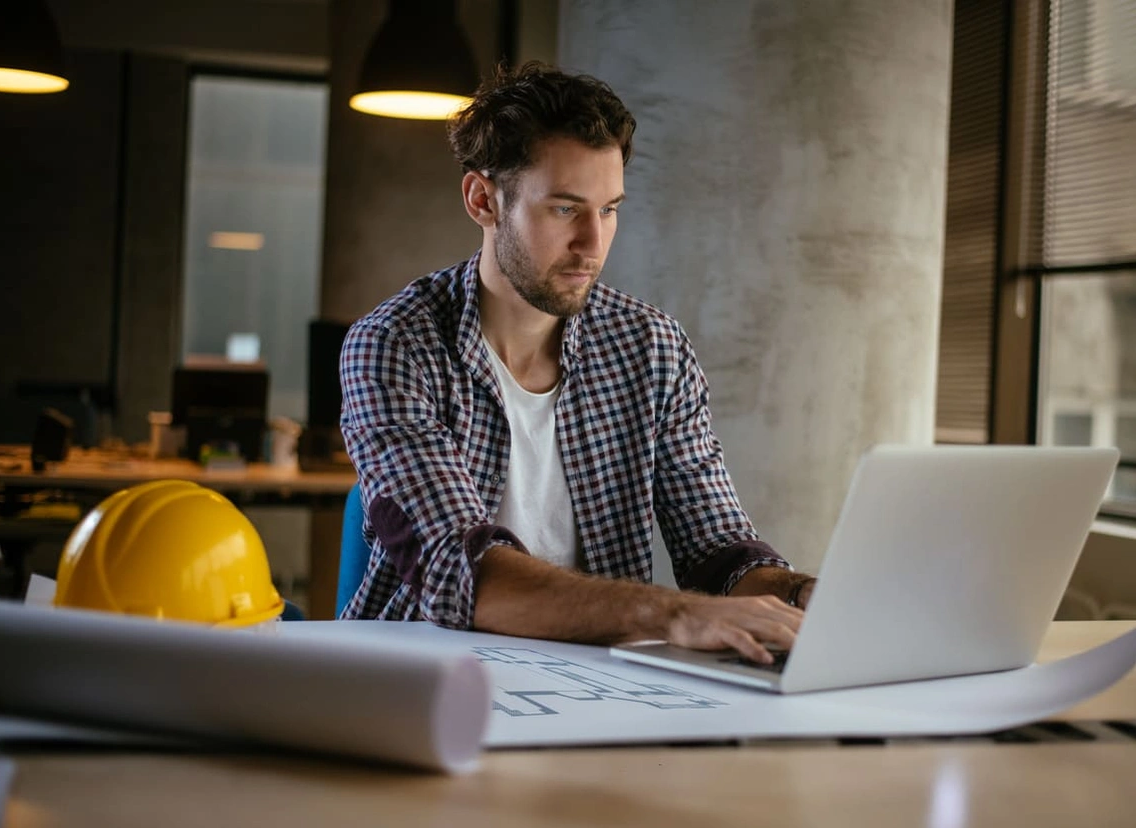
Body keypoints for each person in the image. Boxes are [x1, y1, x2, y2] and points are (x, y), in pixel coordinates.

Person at [340, 62, 815, 664]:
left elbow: (717, 548)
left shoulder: (651, 347)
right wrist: (674, 614)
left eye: (609, 209)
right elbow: (461, 571)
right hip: (420, 676)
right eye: (565, 210)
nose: (593, 244)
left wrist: (801, 595)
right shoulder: (393, 345)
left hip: (601, 685)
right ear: (483, 199)